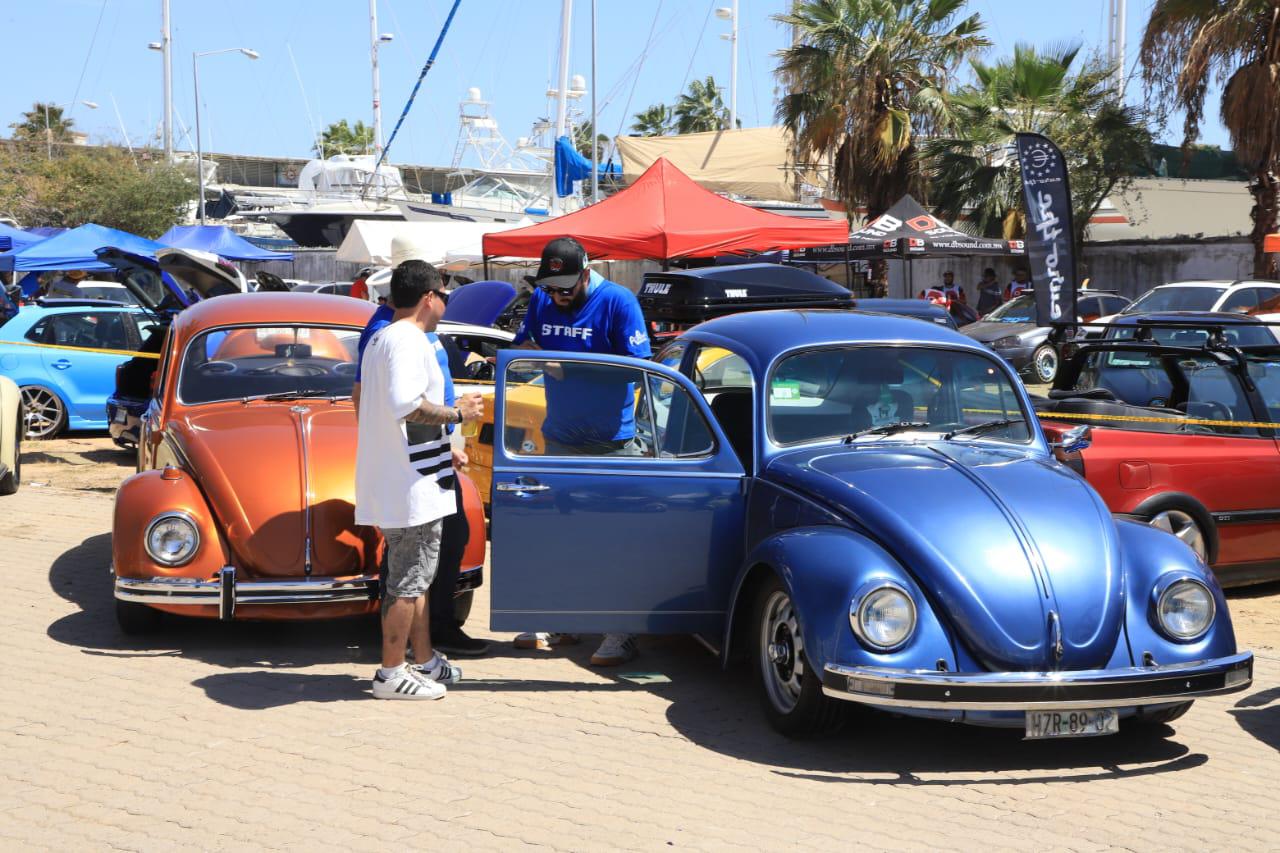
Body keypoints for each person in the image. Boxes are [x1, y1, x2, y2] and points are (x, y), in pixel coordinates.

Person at [511, 237, 652, 666]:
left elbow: (639, 369)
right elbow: (522, 347)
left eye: (565, 289)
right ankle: (567, 619)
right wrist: (541, 358)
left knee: (613, 540)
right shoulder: (542, 299)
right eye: (551, 288)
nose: (557, 296)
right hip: (559, 439)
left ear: (586, 274)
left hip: (612, 443)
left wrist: (565, 367)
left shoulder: (619, 302)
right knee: (565, 537)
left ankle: (620, 631)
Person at [355, 259, 484, 700]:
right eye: (444, 293)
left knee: (416, 578)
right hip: (410, 484)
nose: (446, 301)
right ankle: (391, 674)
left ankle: (423, 661)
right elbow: (407, 405)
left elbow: (389, 412)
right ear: (429, 297)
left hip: (408, 474)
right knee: (408, 581)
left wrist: (443, 445)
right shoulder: (408, 341)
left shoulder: (384, 338)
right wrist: (459, 415)